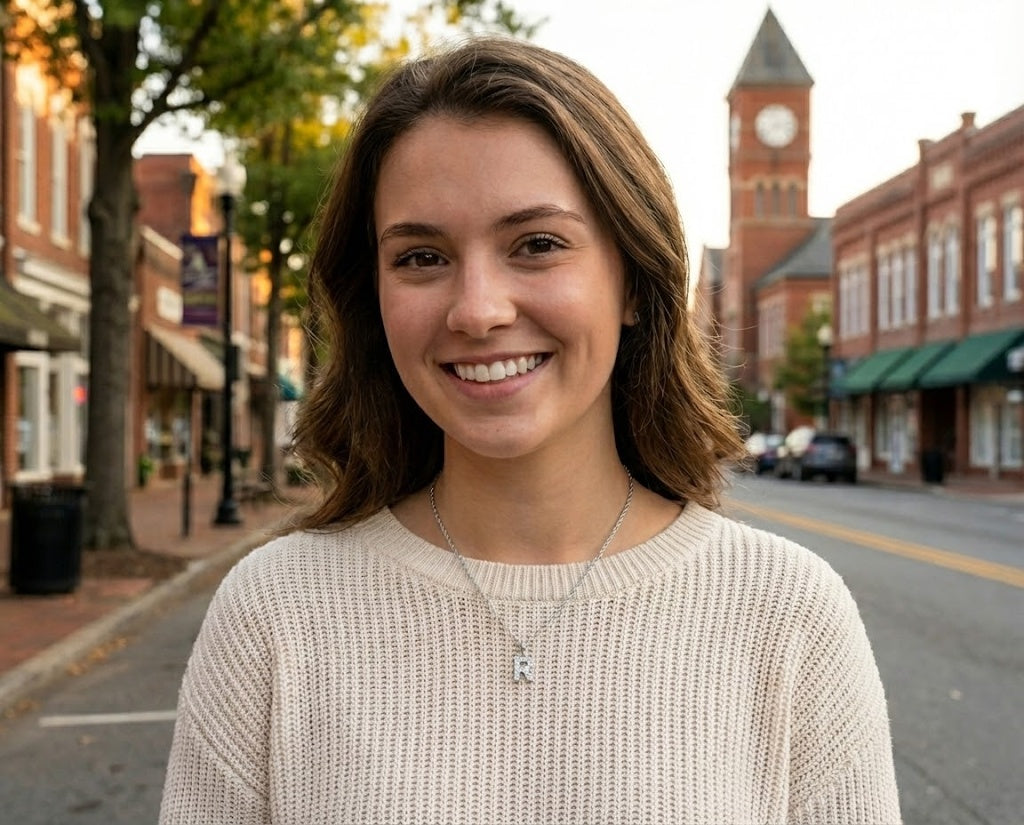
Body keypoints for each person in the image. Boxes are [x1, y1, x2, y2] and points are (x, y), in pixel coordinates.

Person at [160, 37, 901, 824]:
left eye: (537, 245)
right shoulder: (274, 612)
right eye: (420, 257)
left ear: (633, 281)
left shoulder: (789, 614)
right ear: (371, 297)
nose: (477, 308)